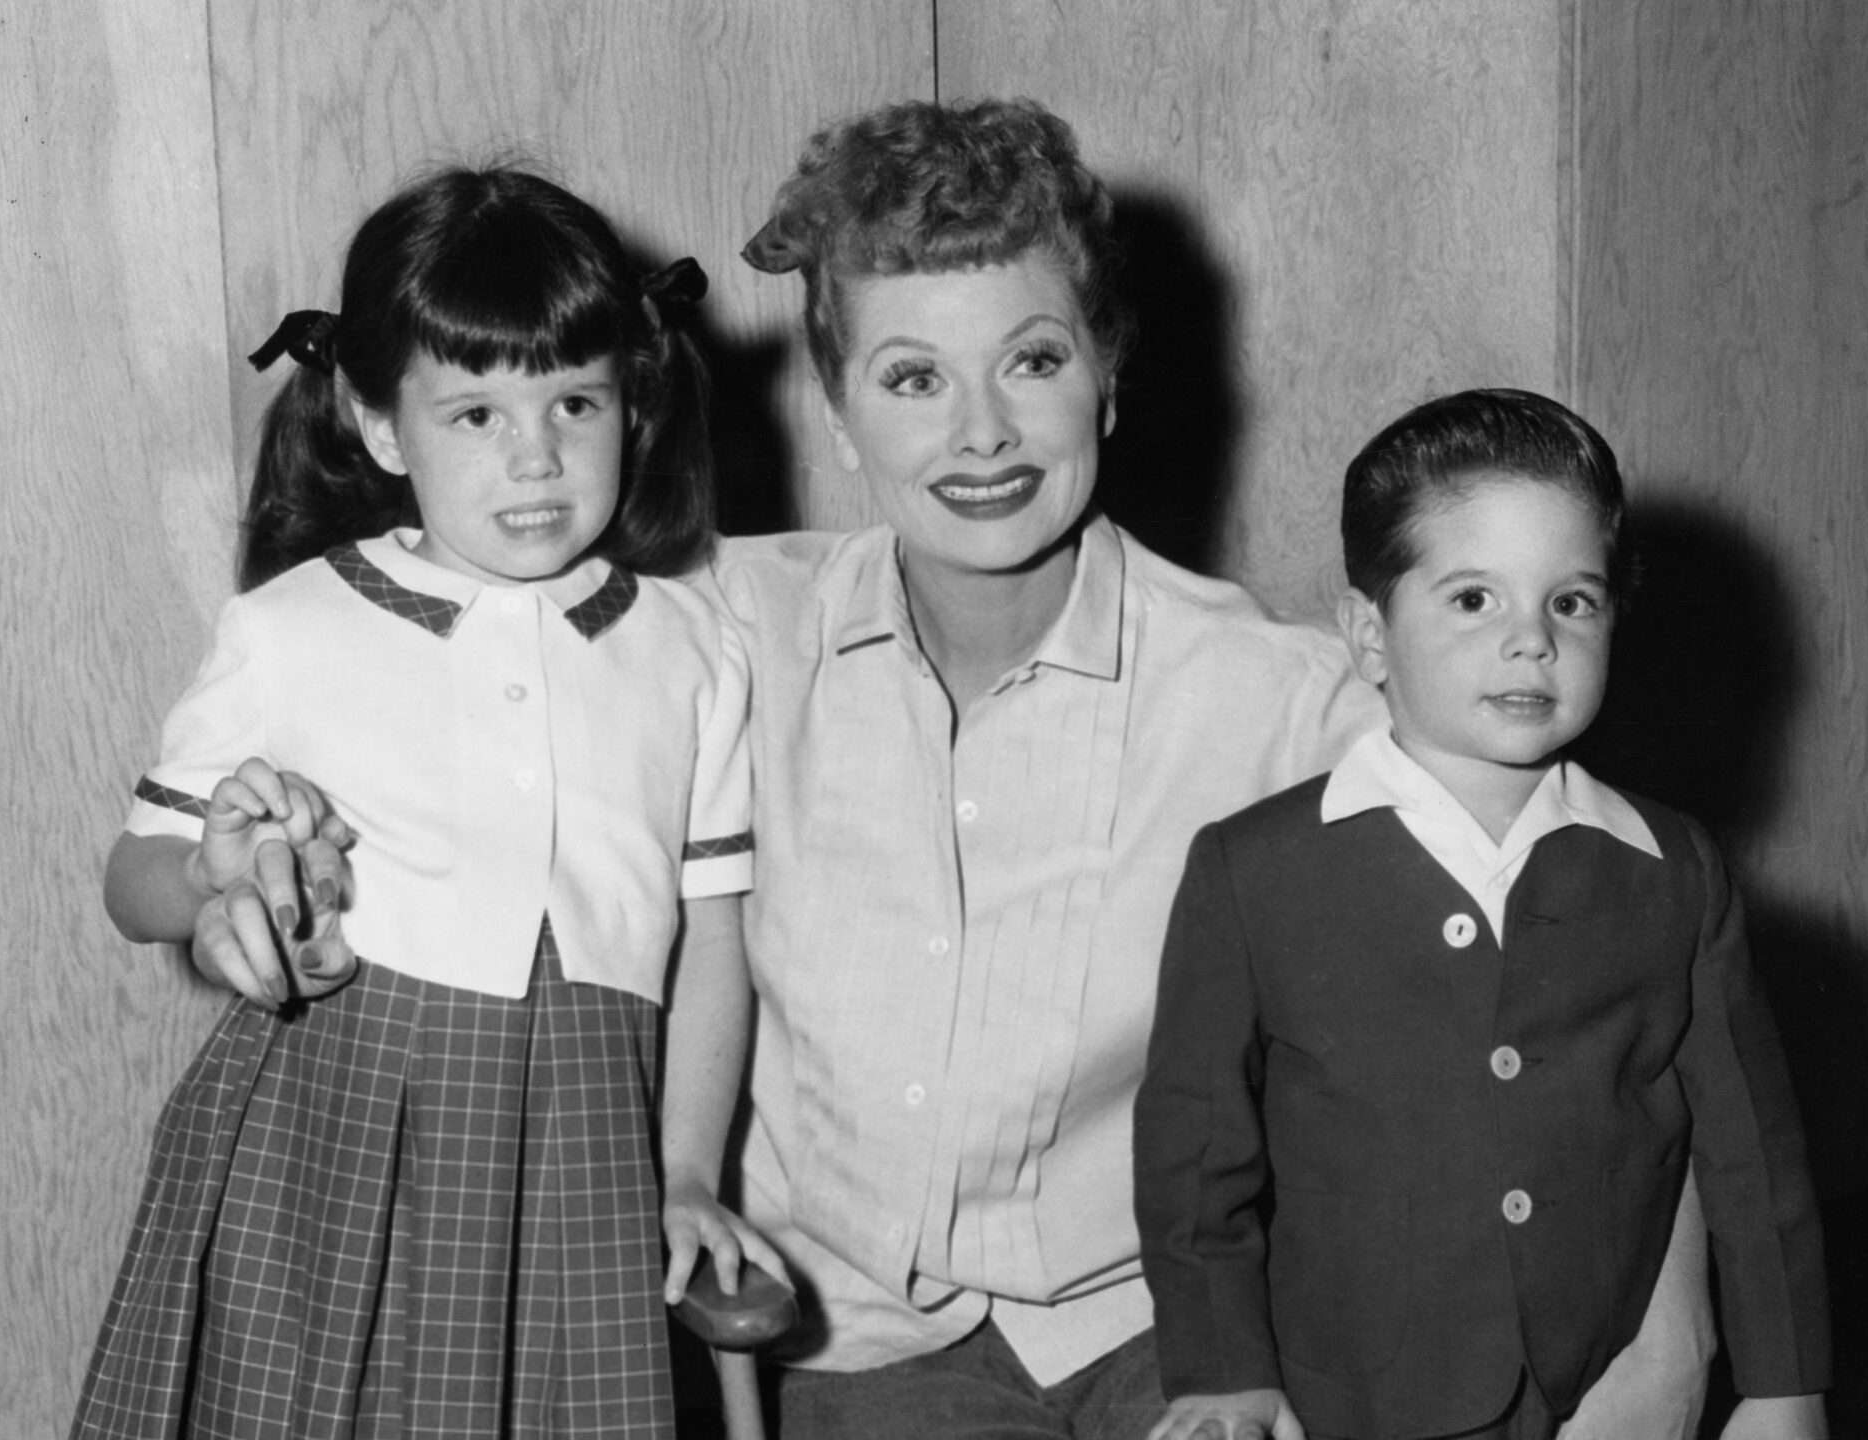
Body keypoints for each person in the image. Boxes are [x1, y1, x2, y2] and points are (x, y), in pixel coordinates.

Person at [706, 100, 1718, 1440]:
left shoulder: (1277, 694)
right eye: (911, 379)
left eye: (1033, 361)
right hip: (857, 1344)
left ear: (1108, 381)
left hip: (1170, 1330)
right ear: (838, 414)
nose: (982, 434)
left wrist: (1674, 1350)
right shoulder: (730, 633)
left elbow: (1603, 964)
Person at [70, 165, 780, 1440]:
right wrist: (217, 881)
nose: (537, 457)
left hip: (581, 1147)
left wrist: (682, 1172)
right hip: (331, 1141)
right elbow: (137, 879)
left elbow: (712, 940)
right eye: (474, 416)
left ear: (634, 401)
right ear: (381, 425)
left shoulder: (692, 649)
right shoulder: (291, 628)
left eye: (576, 401)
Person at [1134, 389, 1830, 1440]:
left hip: (1605, 1383)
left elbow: (1749, 1156)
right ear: (1368, 632)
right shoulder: (1253, 869)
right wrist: (1223, 1369)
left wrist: (1783, 1387)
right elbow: (1195, 1155)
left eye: (1572, 601)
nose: (1530, 642)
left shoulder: (1672, 869)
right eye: (1472, 600)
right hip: (1354, 1392)